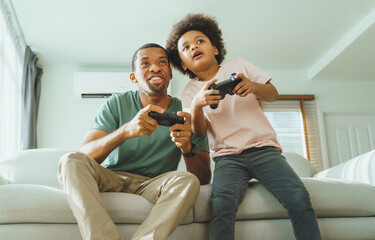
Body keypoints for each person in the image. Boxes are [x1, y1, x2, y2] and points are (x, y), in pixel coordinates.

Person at [166, 14, 322, 240]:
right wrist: (198, 105)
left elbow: (273, 94)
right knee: (220, 206)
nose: (194, 47)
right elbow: (199, 132)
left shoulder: (239, 66)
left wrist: (253, 86)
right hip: (228, 158)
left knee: (298, 196)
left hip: (264, 150)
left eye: (200, 41)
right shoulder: (190, 91)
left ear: (215, 48)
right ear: (183, 63)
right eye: (186, 47)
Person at [58, 43, 211, 240]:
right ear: (134, 77)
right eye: (146, 64)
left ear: (170, 74)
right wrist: (125, 131)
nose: (155, 68)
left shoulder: (188, 111)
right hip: (111, 176)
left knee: (187, 180)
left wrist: (187, 148)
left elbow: (203, 178)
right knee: (70, 160)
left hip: (154, 183)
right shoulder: (116, 103)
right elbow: (84, 155)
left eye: (162, 63)